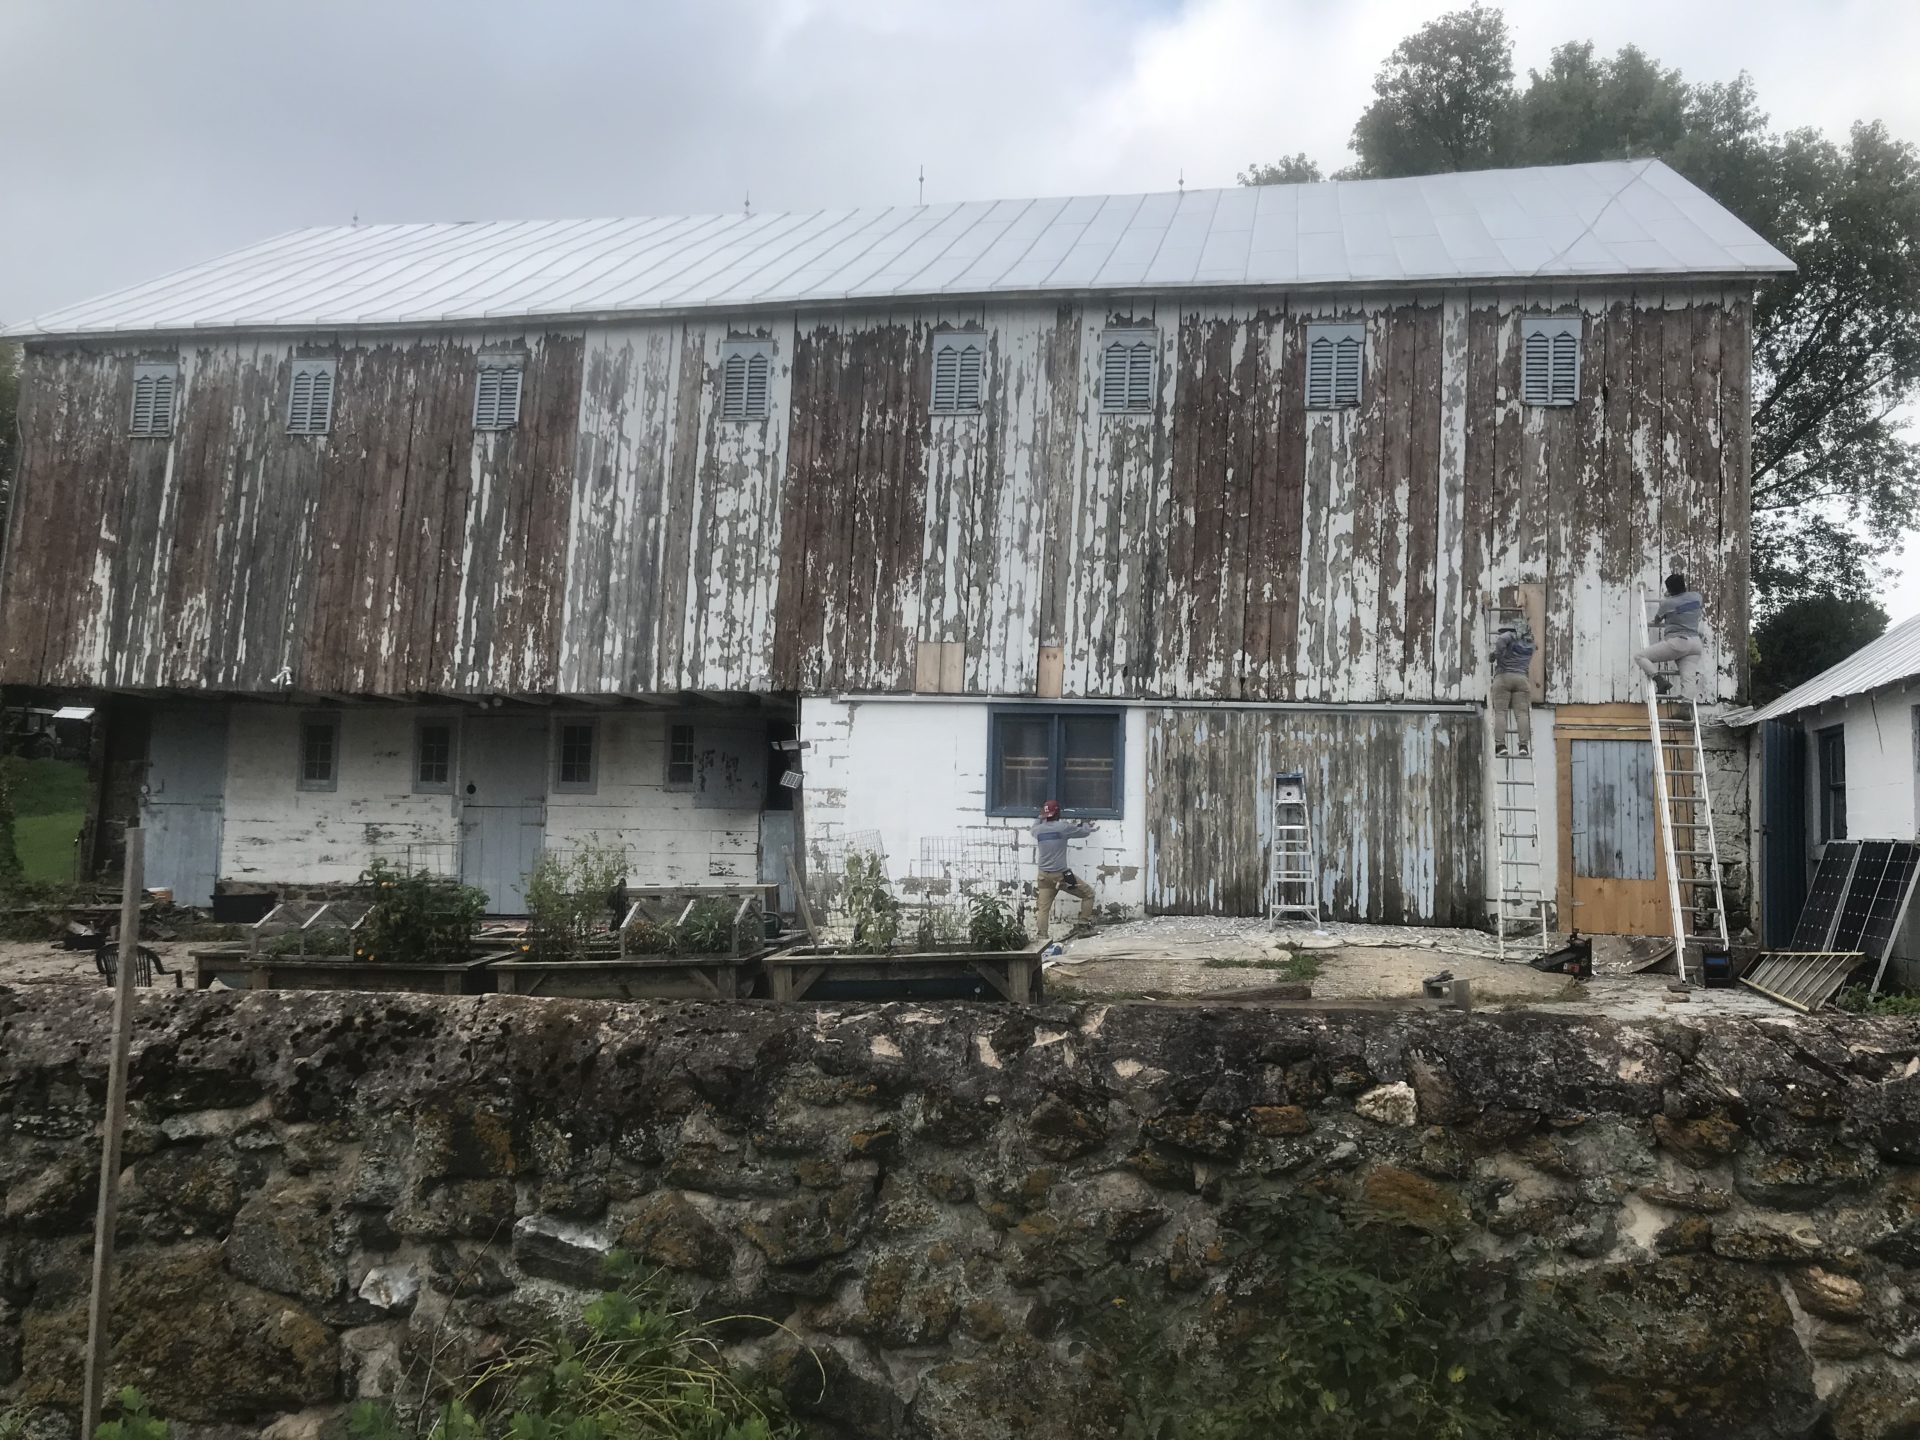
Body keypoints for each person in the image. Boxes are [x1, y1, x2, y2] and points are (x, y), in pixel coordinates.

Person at [1031, 799, 1097, 940]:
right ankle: (1083, 927)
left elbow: (1035, 825)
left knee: (1043, 909)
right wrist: (1086, 824)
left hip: (1043, 876)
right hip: (1061, 875)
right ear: (1058, 812)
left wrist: (1040, 817)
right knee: (1088, 894)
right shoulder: (1063, 827)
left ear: (1044, 814)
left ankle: (1041, 938)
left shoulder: (1037, 830)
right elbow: (1084, 832)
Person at [1634, 573, 1704, 697]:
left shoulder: (1668, 604)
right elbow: (1683, 603)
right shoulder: (1696, 597)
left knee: (1640, 656)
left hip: (1679, 642)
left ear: (1670, 589)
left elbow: (1657, 620)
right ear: (1684, 585)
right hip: (1695, 644)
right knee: (1688, 678)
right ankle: (1685, 709)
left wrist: (1669, 599)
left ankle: (1660, 681)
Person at [1489, 620, 1535, 758]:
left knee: (1500, 712)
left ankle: (1500, 745)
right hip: (1522, 680)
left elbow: (1501, 640)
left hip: (1504, 677)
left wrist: (1496, 655)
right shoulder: (1529, 644)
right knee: (1522, 714)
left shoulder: (1510, 636)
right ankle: (1523, 746)